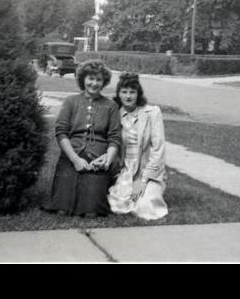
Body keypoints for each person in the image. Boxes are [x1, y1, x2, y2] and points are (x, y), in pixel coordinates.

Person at [43, 59, 121, 217]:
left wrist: (107, 160)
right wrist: (75, 159)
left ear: (104, 82)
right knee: (62, 209)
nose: (94, 83)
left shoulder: (111, 106)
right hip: (71, 155)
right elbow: (61, 132)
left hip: (97, 159)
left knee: (91, 211)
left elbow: (115, 138)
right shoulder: (71, 102)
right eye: (91, 78)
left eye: (99, 79)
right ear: (83, 79)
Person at [105, 72, 168, 220]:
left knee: (145, 207)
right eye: (124, 92)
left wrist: (143, 180)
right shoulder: (114, 115)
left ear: (138, 94)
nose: (128, 96)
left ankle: (150, 190)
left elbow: (158, 150)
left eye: (132, 92)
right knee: (118, 204)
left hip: (148, 171)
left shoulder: (152, 113)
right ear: (118, 94)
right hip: (126, 170)